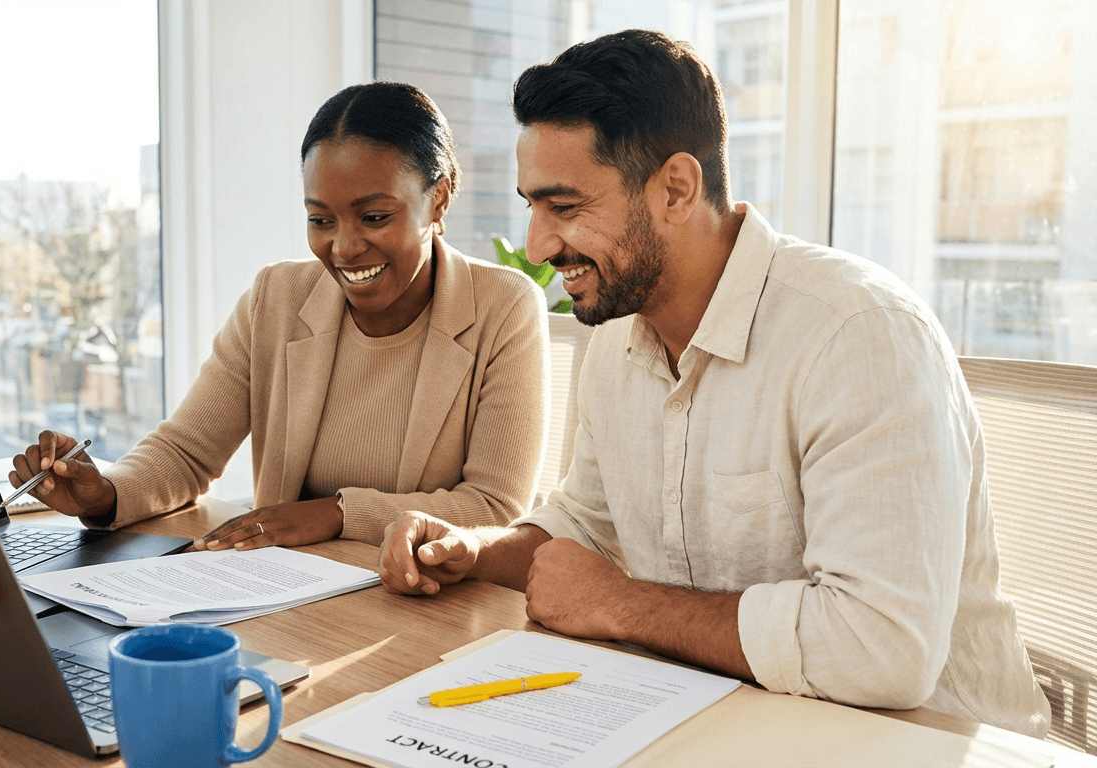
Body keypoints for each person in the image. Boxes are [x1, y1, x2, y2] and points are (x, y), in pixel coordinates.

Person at [378, 30, 1051, 736]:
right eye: (532, 208)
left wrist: (623, 605)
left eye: (566, 207)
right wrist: (472, 550)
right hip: (724, 721)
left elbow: (882, 649)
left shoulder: (857, 333)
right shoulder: (616, 334)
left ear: (675, 189)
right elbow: (589, 521)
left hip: (923, 743)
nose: (541, 246)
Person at [9, 82, 548, 551]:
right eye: (320, 219)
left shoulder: (504, 307)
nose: (344, 247)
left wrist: (336, 514)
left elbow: (495, 507)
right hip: (282, 590)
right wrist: (106, 493)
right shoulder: (277, 297)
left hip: (420, 605)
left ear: (439, 200)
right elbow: (188, 451)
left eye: (375, 216)